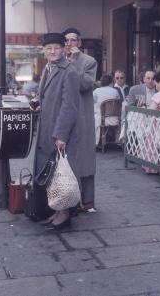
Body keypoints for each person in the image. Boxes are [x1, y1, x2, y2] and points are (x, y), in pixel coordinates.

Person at [34, 32, 80, 230]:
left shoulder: (68, 71)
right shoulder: (48, 67)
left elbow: (69, 106)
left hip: (58, 130)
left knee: (60, 172)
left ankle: (65, 213)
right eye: (49, 48)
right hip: (47, 127)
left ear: (64, 49)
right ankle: (57, 210)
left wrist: (61, 134)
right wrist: (36, 102)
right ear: (44, 51)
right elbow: (43, 93)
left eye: (56, 48)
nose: (52, 51)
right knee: (51, 172)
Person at [63, 28, 98, 213]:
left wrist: (75, 64)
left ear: (80, 43)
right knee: (64, 159)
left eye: (73, 40)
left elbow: (85, 85)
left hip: (81, 116)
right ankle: (67, 201)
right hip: (63, 116)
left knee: (84, 158)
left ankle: (88, 201)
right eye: (66, 41)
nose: (70, 44)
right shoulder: (59, 60)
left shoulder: (89, 61)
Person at [93, 74, 120, 146]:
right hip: (114, 118)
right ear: (111, 82)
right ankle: (115, 139)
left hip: (102, 119)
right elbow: (119, 101)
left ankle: (95, 141)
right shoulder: (115, 91)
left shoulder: (96, 91)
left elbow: (92, 101)